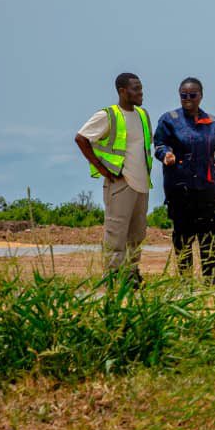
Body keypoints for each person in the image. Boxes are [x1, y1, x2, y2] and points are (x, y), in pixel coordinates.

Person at [74, 72, 152, 283]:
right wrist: (102, 168)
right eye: (136, 89)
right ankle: (112, 275)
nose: (141, 93)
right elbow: (81, 138)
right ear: (122, 91)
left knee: (137, 234)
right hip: (120, 182)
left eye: (141, 88)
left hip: (142, 183)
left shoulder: (143, 115)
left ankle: (131, 273)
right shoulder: (108, 115)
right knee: (116, 232)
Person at [153, 77, 215, 283]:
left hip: (206, 188)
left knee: (209, 236)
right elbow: (159, 145)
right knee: (183, 236)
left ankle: (209, 280)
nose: (187, 99)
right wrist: (166, 155)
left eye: (192, 95)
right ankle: (185, 281)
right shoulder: (169, 120)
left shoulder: (213, 122)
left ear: (201, 96)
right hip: (180, 188)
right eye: (183, 95)